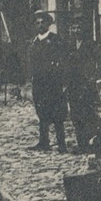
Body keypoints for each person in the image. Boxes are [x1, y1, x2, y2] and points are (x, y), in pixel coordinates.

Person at [65, 13, 101, 153]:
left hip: (87, 87)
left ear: (84, 28)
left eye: (79, 27)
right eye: (73, 28)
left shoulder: (91, 45)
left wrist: (94, 78)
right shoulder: (70, 45)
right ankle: (82, 145)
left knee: (88, 116)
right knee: (76, 116)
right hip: (73, 86)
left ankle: (91, 145)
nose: (76, 30)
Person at [28, 10, 68, 153]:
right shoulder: (34, 42)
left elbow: (62, 61)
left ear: (48, 23)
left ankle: (61, 144)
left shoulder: (55, 40)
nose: (40, 25)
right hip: (39, 84)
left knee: (57, 114)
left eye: (42, 22)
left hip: (53, 83)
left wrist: (61, 81)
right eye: (37, 23)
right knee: (42, 112)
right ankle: (43, 142)